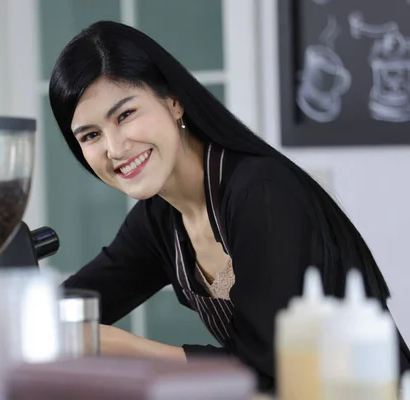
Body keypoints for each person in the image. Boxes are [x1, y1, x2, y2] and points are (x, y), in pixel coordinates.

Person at [48, 20, 410, 392]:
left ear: (173, 101)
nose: (115, 148)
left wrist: (130, 349)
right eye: (91, 136)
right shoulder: (160, 219)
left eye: (125, 115)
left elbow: (273, 366)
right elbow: (69, 309)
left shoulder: (260, 191)